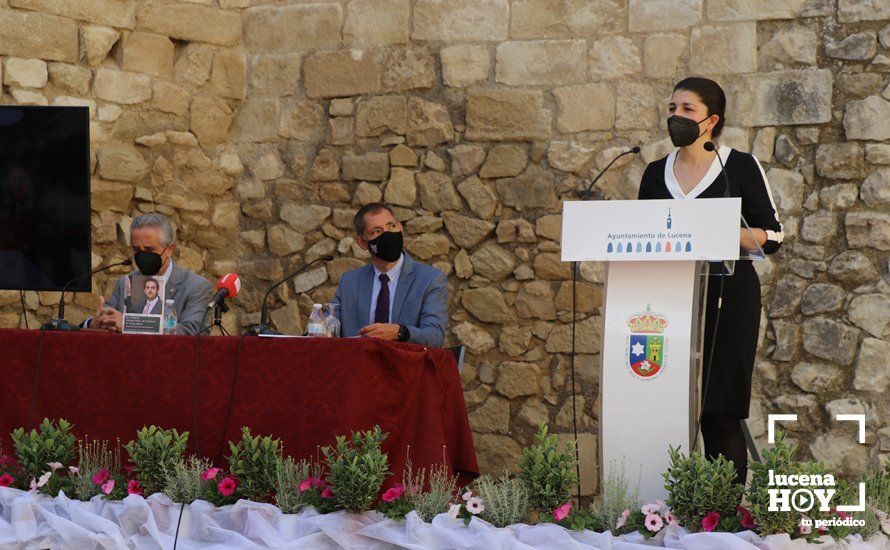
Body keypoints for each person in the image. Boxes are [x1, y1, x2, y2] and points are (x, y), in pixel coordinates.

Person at [637, 77, 784, 486]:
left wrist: (719, 229)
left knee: (718, 408)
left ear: (711, 120)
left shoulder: (739, 165)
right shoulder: (653, 173)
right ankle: (662, 503)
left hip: (729, 295)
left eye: (687, 109)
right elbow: (643, 234)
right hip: (668, 299)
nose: (676, 117)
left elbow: (772, 235)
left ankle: (724, 514)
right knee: (668, 405)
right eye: (671, 108)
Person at [332, 203, 447, 347]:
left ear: (400, 228)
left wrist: (400, 333)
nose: (387, 235)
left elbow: (435, 337)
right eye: (377, 231)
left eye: (391, 226)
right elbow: (327, 327)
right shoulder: (349, 282)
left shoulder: (429, 279)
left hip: (405, 365)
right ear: (362, 243)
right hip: (360, 365)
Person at [85, 213, 213, 335]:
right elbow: (108, 318)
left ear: (169, 250)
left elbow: (191, 331)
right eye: (136, 250)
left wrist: (130, 324)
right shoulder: (125, 283)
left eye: (149, 249)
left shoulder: (196, 286)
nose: (142, 255)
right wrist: (94, 323)